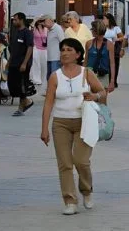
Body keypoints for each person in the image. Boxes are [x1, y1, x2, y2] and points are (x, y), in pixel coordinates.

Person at [40, 38, 108, 215]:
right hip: (61, 123)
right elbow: (48, 102)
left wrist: (94, 96)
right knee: (65, 163)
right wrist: (44, 128)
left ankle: (86, 190)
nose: (64, 52)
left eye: (69, 49)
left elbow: (103, 92)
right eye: (62, 49)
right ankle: (70, 200)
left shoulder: (87, 73)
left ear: (78, 54)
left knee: (81, 161)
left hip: (84, 122)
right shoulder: (55, 76)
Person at [9, 12, 35, 116]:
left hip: (22, 64)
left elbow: (30, 47)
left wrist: (24, 63)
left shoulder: (27, 33)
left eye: (15, 19)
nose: (14, 21)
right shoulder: (15, 32)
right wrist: (9, 61)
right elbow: (13, 49)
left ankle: (22, 106)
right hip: (13, 63)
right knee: (13, 85)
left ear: (21, 20)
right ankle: (26, 102)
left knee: (22, 85)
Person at [86, 20, 116, 92]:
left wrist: (112, 81)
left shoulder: (109, 44)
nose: (91, 31)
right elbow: (86, 61)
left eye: (92, 29)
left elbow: (112, 63)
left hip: (103, 75)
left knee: (102, 100)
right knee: (89, 101)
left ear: (97, 30)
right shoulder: (89, 43)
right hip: (90, 74)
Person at [39, 14, 65, 78]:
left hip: (56, 59)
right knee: (49, 77)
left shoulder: (58, 28)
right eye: (42, 22)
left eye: (44, 21)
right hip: (50, 58)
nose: (43, 24)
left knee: (54, 78)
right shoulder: (49, 30)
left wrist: (62, 57)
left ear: (50, 20)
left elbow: (63, 43)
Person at [103, 13, 124, 88]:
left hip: (114, 49)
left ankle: (114, 81)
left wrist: (117, 39)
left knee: (115, 64)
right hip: (104, 49)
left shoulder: (116, 28)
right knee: (106, 64)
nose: (103, 20)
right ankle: (107, 80)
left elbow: (122, 37)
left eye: (104, 19)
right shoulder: (102, 28)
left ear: (109, 19)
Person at [31, 19, 49, 91]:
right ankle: (36, 79)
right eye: (39, 21)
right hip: (36, 48)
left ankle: (44, 79)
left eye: (41, 21)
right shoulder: (34, 29)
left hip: (44, 49)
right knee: (36, 64)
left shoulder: (46, 29)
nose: (40, 22)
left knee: (44, 64)